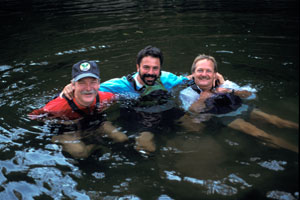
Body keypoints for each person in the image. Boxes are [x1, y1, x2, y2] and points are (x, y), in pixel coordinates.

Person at [62, 46, 224, 154]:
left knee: (197, 128)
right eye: (146, 68)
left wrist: (216, 77)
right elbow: (89, 88)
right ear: (137, 67)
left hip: (165, 109)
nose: (151, 72)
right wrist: (68, 88)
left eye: (155, 68)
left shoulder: (166, 78)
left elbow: (189, 79)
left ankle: (166, 134)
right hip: (138, 114)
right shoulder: (120, 85)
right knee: (146, 148)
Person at [179, 54, 298, 153]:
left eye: (208, 71)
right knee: (260, 134)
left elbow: (251, 95)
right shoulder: (187, 93)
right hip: (226, 117)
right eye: (200, 70)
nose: (204, 74)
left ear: (215, 74)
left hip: (242, 108)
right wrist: (203, 97)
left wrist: (230, 90)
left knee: (278, 120)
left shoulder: (226, 85)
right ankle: (294, 149)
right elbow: (192, 111)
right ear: (193, 74)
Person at [29, 60, 128, 158]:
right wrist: (58, 122)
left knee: (122, 138)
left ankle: (95, 141)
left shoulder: (106, 97)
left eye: (93, 82)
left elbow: (124, 98)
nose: (88, 88)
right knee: (80, 152)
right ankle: (96, 144)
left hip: (94, 124)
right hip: (66, 130)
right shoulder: (57, 106)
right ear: (73, 85)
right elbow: (33, 116)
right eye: (82, 83)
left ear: (99, 83)